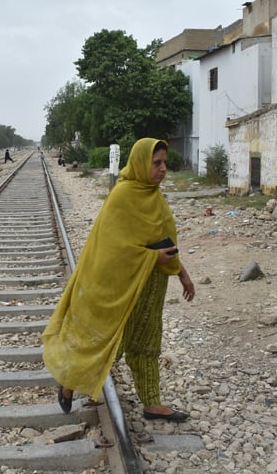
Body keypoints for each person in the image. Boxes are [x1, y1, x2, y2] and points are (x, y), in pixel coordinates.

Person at [42, 138, 195, 421]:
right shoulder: (122, 195)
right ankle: (70, 382)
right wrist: (152, 258)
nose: (163, 169)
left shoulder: (155, 196)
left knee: (149, 343)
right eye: (156, 163)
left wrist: (182, 273)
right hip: (125, 285)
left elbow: (165, 242)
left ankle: (152, 403)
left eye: (165, 163)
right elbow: (113, 248)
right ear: (140, 163)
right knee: (116, 341)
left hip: (153, 284)